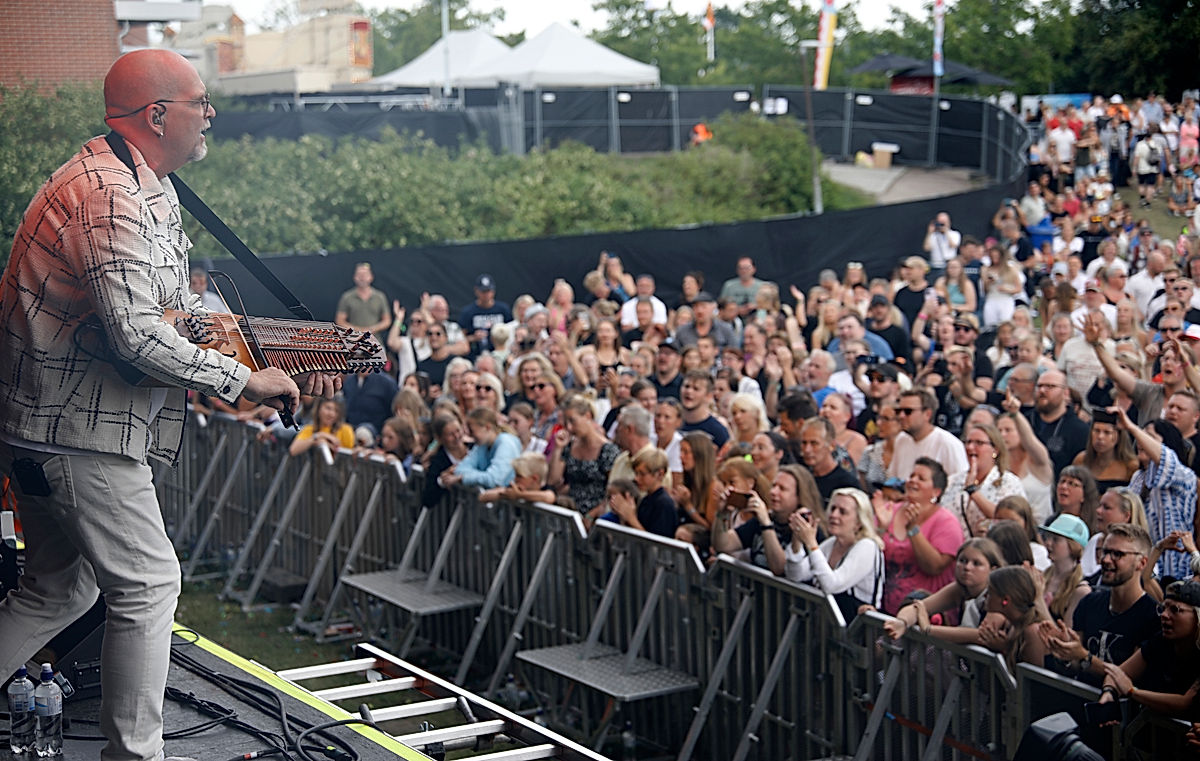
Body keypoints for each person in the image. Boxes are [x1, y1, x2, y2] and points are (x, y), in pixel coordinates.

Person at [0, 49, 339, 761]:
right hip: (77, 435)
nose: (210, 112)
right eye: (200, 101)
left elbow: (176, 314)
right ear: (158, 115)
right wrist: (244, 382)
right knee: (151, 583)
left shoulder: (147, 183)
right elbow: (134, 335)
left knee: (57, 589)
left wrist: (283, 356)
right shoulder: (108, 195)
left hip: (56, 428)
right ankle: (136, 755)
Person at [1039, 523, 1161, 686]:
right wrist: (1065, 653)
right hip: (1080, 700)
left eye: (1117, 554)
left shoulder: (1152, 616)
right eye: (1105, 552)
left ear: (1142, 563)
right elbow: (1075, 667)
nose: (1106, 560)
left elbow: (1129, 678)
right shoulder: (1090, 603)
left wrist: (1083, 656)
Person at [1097, 580, 1200, 717]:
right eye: (1163, 608)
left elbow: (1185, 703)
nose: (1164, 615)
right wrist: (1109, 692)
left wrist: (1133, 692)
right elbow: (1118, 674)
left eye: (1175, 609)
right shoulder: (1160, 641)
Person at [880, 457, 965, 614]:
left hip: (926, 615)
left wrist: (913, 530)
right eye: (912, 476)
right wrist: (880, 528)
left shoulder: (946, 522)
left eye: (921, 478)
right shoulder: (888, 510)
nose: (913, 481)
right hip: (884, 610)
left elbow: (934, 567)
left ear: (936, 492)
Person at [786, 487, 885, 622]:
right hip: (828, 629)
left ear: (858, 523)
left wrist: (811, 544)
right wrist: (797, 539)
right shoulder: (832, 543)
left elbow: (832, 585)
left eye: (842, 512)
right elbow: (795, 575)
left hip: (857, 632)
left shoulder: (867, 546)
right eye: (833, 509)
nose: (834, 515)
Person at [1121, 410, 1198, 582]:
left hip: (1176, 567)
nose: (1141, 441)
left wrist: (1131, 427)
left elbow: (1166, 459)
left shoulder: (1183, 475)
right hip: (1145, 565)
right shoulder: (1138, 477)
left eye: (1149, 437)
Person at [883, 537, 1004, 637]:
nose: (967, 567)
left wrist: (929, 629)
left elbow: (982, 635)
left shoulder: (998, 594)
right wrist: (901, 622)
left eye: (976, 563)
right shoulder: (959, 589)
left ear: (993, 570)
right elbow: (918, 607)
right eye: (962, 561)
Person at [713, 464, 819, 577]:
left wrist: (766, 524)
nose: (773, 492)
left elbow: (779, 568)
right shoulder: (762, 520)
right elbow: (723, 545)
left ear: (799, 496)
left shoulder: (808, 527)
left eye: (782, 489)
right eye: (773, 486)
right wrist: (722, 515)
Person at [940, 423, 1027, 537]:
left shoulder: (1008, 482)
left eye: (979, 443)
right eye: (968, 442)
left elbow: (1008, 520)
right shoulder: (952, 481)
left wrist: (973, 492)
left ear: (995, 449)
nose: (970, 447)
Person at [549, 396, 620, 523]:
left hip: (595, 517)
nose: (569, 428)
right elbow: (553, 480)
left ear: (587, 416)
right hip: (570, 513)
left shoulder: (607, 450)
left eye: (573, 421)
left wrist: (592, 515)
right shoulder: (569, 446)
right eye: (566, 423)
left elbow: (613, 490)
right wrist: (558, 449)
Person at [887, 388, 969, 479]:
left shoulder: (948, 444)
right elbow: (893, 477)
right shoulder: (901, 439)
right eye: (898, 411)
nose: (901, 416)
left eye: (908, 411)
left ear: (927, 414)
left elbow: (960, 482)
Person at [439, 407, 521, 490]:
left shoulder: (506, 443)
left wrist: (463, 478)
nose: (470, 435)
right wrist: (481, 476)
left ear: (487, 427)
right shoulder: (481, 445)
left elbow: (494, 479)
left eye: (472, 431)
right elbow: (460, 469)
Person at [608, 449, 677, 538]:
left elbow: (656, 545)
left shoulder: (664, 504)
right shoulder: (646, 499)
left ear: (660, 474)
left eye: (642, 474)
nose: (636, 478)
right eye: (636, 473)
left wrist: (631, 518)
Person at [1040, 514, 1093, 626]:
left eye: (1056, 539)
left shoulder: (1080, 590)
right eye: (1047, 537)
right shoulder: (1042, 577)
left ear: (1073, 546)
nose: (1048, 543)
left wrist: (1038, 601)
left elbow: (1066, 637)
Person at [1072, 409, 1139, 492]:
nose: (1100, 437)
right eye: (1096, 431)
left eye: (1107, 432)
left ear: (1117, 436)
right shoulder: (1081, 460)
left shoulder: (1130, 466)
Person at [798, 418, 861, 501]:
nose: (807, 450)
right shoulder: (801, 478)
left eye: (814, 443)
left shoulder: (847, 484)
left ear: (832, 446)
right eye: (804, 443)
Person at [460, 273, 512, 356]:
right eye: (483, 291)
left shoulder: (503, 309)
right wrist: (474, 338)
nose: (486, 295)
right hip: (476, 353)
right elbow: (461, 337)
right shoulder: (468, 312)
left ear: (493, 291)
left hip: (501, 352)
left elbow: (511, 330)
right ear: (476, 291)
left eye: (488, 291)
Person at [335, 262, 391, 335]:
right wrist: (356, 330)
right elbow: (339, 321)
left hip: (375, 340)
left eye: (365, 274)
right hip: (353, 340)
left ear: (371, 277)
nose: (362, 277)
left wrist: (372, 329)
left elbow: (387, 320)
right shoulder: (347, 297)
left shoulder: (380, 296)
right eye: (359, 274)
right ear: (354, 277)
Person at [289, 397, 356, 455]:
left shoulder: (346, 429)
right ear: (318, 409)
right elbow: (293, 450)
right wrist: (318, 437)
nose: (332, 414)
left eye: (336, 411)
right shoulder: (310, 429)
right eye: (328, 408)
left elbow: (351, 454)